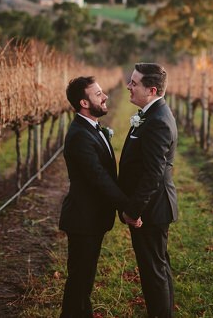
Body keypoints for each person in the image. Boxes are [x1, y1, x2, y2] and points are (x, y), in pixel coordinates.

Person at [59, 76, 141, 318]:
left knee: (84, 280)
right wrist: (129, 207)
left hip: (92, 219)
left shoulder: (91, 129)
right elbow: (99, 178)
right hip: (83, 219)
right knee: (79, 281)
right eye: (98, 94)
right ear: (84, 103)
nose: (105, 97)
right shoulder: (79, 136)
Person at [118, 63, 179, 318]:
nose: (128, 86)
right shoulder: (151, 113)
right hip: (152, 206)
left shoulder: (157, 121)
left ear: (151, 90)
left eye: (134, 83)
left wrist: (133, 210)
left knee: (153, 270)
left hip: (151, 209)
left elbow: (153, 174)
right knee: (158, 266)